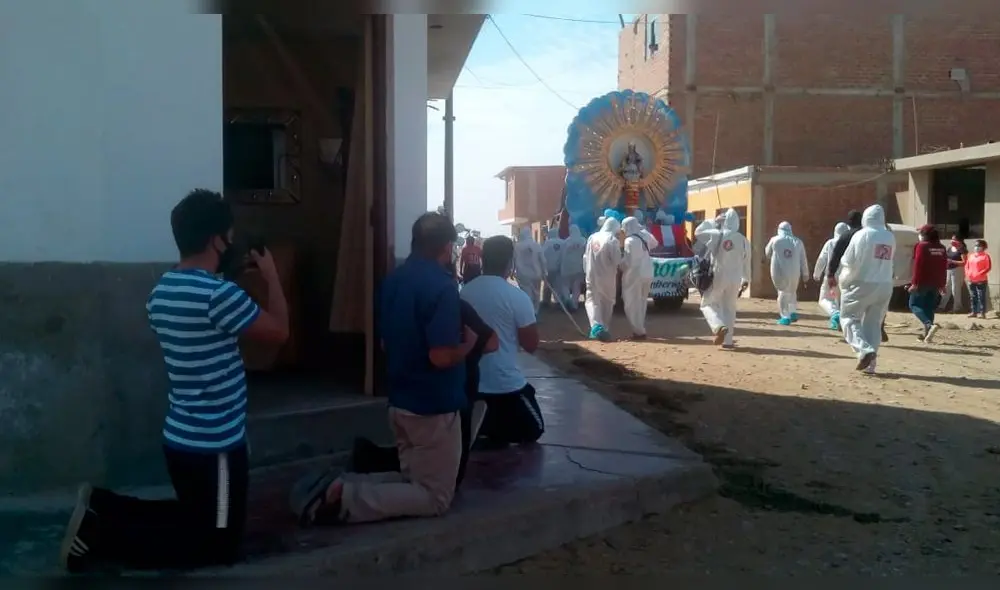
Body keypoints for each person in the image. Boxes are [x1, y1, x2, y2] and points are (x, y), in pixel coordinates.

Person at [59, 189, 290, 573]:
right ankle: (100, 535)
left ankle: (104, 506)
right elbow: (279, 332)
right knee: (217, 545)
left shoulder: (161, 292)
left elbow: (200, 324)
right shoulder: (220, 296)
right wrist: (271, 275)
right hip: (217, 448)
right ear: (217, 240)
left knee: (194, 518)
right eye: (229, 235)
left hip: (181, 441)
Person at [298, 212, 474, 525]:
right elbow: (440, 356)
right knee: (434, 496)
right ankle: (346, 499)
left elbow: (384, 343)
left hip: (400, 401)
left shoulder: (393, 281)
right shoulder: (442, 287)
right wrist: (468, 346)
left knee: (411, 479)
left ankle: (342, 485)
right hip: (433, 407)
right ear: (448, 247)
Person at [349, 298, 498, 489]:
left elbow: (386, 344)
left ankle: (369, 458)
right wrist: (467, 349)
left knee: (422, 455)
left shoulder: (402, 303)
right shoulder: (452, 305)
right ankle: (360, 475)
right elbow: (491, 343)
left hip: (410, 393)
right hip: (452, 395)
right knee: (445, 476)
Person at [460, 236, 545, 446]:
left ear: (483, 259)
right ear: (510, 262)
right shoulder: (517, 297)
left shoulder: (465, 292)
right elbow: (531, 345)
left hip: (470, 386)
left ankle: (483, 430)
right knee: (535, 428)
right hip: (505, 387)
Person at [838, 204, 895, 374]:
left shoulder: (862, 235)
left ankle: (864, 350)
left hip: (861, 283)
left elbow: (848, 260)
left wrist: (844, 279)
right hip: (884, 285)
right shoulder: (890, 236)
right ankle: (871, 365)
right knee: (873, 324)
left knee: (849, 318)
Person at [828, 209, 889, 343]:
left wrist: (831, 274)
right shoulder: (886, 236)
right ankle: (876, 334)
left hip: (855, 277)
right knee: (874, 315)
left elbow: (839, 256)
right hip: (883, 280)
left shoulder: (853, 235)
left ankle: (857, 341)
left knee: (849, 312)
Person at [695, 208, 751, 349]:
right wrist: (746, 279)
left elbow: (698, 232)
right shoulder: (744, 240)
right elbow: (747, 262)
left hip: (719, 276)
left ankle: (718, 326)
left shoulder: (716, 234)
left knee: (707, 304)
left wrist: (713, 222)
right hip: (735, 279)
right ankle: (728, 341)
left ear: (724, 221)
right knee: (729, 308)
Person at [584, 217, 624, 342]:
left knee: (592, 300)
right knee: (608, 302)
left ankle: (596, 326)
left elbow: (585, 257)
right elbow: (617, 260)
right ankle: (603, 328)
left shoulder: (592, 237)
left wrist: (586, 271)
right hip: (607, 276)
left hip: (591, 274)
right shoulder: (612, 240)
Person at [764, 221, 810, 325]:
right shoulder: (798, 242)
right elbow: (803, 259)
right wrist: (805, 274)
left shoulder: (775, 240)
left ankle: (785, 317)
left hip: (779, 271)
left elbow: (767, 253)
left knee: (782, 293)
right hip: (795, 272)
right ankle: (792, 312)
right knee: (792, 291)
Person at [908, 224, 948, 343]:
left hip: (922, 281)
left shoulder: (921, 246)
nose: (919, 235)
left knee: (914, 305)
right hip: (936, 283)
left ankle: (929, 325)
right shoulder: (942, 247)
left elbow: (918, 265)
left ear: (925, 234)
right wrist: (942, 284)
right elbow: (943, 266)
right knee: (928, 307)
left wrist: (914, 283)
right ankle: (927, 335)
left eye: (921, 233)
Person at [620, 216, 658, 339]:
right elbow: (655, 243)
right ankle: (640, 328)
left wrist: (619, 265)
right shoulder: (645, 236)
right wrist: (642, 230)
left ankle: (638, 331)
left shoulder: (629, 241)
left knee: (630, 303)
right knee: (642, 302)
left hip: (634, 275)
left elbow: (628, 262)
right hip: (647, 272)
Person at [813, 222, 851, 330]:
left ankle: (835, 314)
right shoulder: (850, 243)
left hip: (831, 277)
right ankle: (838, 323)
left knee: (824, 299)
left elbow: (822, 259)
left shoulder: (830, 243)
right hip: (846, 277)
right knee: (839, 301)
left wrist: (817, 274)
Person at [514, 227, 545, 313]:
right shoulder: (536, 245)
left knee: (527, 293)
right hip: (536, 274)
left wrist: (512, 271)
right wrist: (544, 271)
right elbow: (543, 260)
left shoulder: (517, 246)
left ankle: (529, 311)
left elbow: (513, 260)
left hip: (523, 274)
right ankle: (536, 310)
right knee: (536, 293)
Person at [560, 224, 587, 311]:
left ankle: (567, 299)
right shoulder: (583, 241)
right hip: (579, 267)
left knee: (565, 285)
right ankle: (574, 303)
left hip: (567, 267)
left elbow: (562, 255)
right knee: (577, 286)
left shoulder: (566, 242)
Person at [939, 233, 968, 313]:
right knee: (946, 288)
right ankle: (941, 306)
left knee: (955, 289)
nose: (952, 241)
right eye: (952, 239)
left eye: (954, 239)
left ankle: (957, 308)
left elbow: (964, 262)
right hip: (948, 270)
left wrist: (952, 261)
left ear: (959, 241)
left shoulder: (962, 249)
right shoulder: (950, 248)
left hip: (957, 270)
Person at [966, 239, 992, 319]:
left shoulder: (985, 256)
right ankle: (974, 312)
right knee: (973, 296)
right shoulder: (971, 256)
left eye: (979, 246)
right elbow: (967, 266)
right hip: (971, 280)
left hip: (981, 280)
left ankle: (982, 313)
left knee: (981, 297)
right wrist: (968, 274)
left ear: (983, 247)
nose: (976, 247)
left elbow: (988, 267)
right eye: (975, 245)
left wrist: (979, 274)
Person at [541, 227, 565, 307]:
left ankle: (546, 301)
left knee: (547, 285)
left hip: (548, 268)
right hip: (559, 268)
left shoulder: (547, 243)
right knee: (558, 286)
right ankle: (559, 302)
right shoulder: (563, 242)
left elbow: (542, 254)